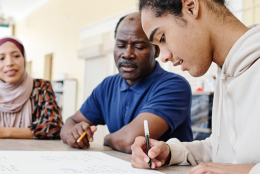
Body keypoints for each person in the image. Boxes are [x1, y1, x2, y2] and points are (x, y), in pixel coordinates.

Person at [131, 0, 260, 173]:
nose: (163, 57)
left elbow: (239, 165)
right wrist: (170, 152)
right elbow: (222, 150)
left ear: (191, 7)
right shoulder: (228, 71)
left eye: (162, 38)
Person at [60, 12, 193, 153]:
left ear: (156, 50)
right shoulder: (108, 86)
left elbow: (131, 141)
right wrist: (73, 133)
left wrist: (107, 139)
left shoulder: (174, 86)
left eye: (139, 46)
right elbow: (70, 123)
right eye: (121, 45)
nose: (127, 54)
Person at [0, 36, 63, 139]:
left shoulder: (41, 87)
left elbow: (55, 127)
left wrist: (5, 132)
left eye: (16, 56)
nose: (9, 63)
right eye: (1, 58)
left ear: (24, 58)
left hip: (33, 153)